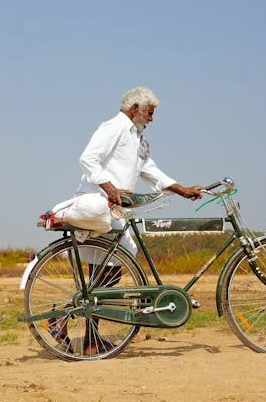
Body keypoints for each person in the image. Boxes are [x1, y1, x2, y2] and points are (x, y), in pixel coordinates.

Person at [51, 86, 204, 356]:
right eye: (149, 113)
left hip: (117, 210)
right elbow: (88, 158)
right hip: (102, 206)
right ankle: (78, 330)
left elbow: (148, 169)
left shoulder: (137, 137)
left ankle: (83, 334)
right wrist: (110, 189)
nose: (152, 119)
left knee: (106, 275)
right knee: (103, 276)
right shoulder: (115, 127)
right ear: (134, 108)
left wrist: (182, 189)